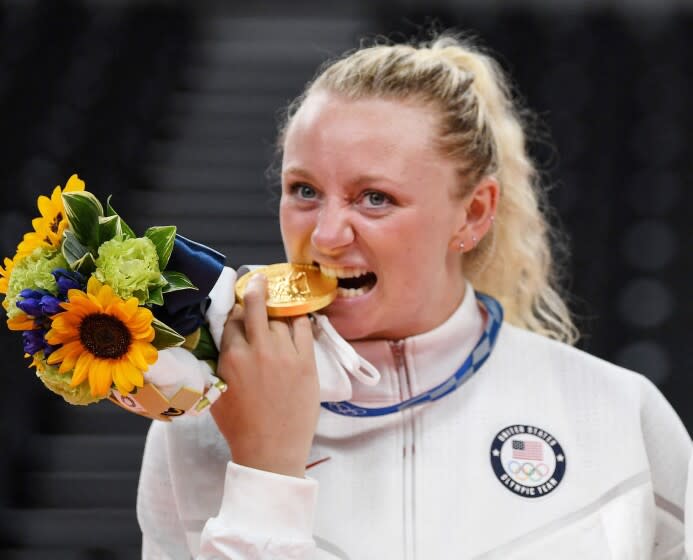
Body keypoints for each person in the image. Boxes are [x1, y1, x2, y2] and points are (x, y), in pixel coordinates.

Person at [137, 34, 692, 559]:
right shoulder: (200, 421)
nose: (327, 235)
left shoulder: (617, 414)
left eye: (374, 198)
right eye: (304, 191)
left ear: (473, 213)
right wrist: (267, 474)